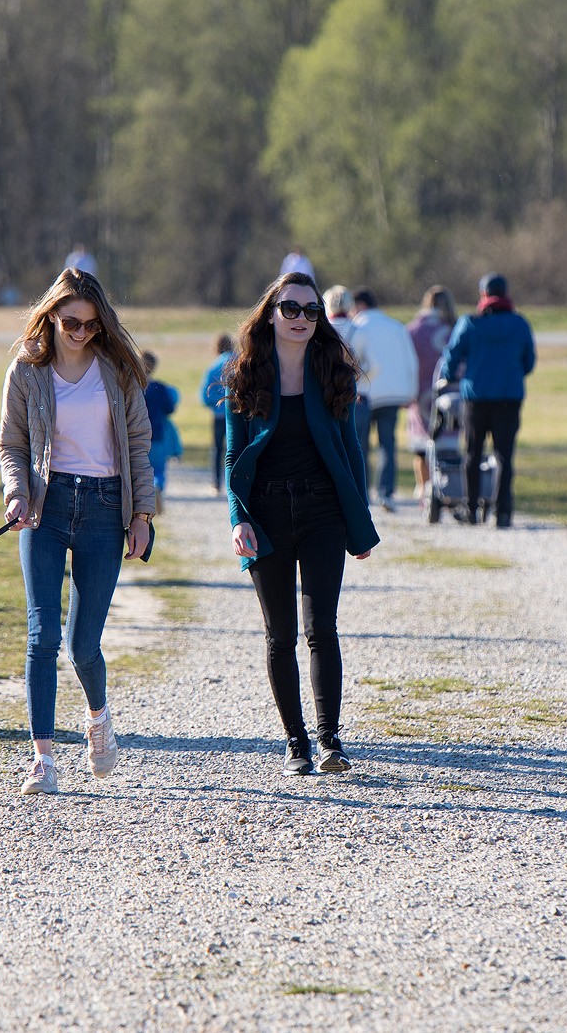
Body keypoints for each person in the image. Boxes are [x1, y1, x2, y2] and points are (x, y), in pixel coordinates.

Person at [0, 268, 155, 795]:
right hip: (46, 504)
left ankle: (98, 718)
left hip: (107, 506)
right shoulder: (26, 369)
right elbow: (11, 444)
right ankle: (42, 758)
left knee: (83, 644)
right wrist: (17, 491)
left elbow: (137, 444)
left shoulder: (116, 370)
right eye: (71, 322)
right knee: (41, 635)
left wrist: (141, 515)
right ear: (51, 316)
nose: (81, 332)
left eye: (91, 325)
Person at [225, 272, 379, 776]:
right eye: (291, 309)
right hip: (265, 515)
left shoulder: (334, 371)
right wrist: (238, 518)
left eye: (312, 311)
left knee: (321, 630)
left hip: (322, 515)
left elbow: (351, 452)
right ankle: (296, 744)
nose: (301, 320)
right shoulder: (245, 374)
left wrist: (360, 523)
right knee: (279, 635)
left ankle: (330, 739)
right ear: (270, 312)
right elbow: (232, 459)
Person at [435, 272, 536, 529]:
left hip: (475, 399)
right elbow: (529, 362)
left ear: (483, 295)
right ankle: (503, 512)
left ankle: (471, 510)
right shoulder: (520, 324)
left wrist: (448, 376)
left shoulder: (470, 323)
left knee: (472, 453)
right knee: (504, 456)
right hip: (509, 399)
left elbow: (452, 356)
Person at [348, 287, 418, 511]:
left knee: (361, 445)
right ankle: (386, 493)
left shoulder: (358, 327)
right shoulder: (396, 326)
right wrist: (411, 392)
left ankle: (363, 493)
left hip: (364, 394)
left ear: (359, 305)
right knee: (388, 444)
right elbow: (412, 361)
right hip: (393, 394)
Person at [405, 286, 458, 503]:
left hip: (420, 394)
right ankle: (451, 490)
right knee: (448, 445)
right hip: (449, 392)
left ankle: (424, 489)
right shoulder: (453, 328)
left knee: (421, 447)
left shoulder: (413, 329)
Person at [142, 351, 181, 499]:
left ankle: (145, 497)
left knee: (141, 470)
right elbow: (170, 409)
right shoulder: (160, 387)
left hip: (138, 436)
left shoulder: (134, 386)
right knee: (158, 469)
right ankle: (157, 486)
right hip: (157, 435)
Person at [200, 334, 235, 492]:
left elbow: (204, 396)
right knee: (235, 448)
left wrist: (215, 404)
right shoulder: (241, 361)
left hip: (219, 414)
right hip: (239, 413)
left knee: (218, 449)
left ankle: (216, 484)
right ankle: (234, 483)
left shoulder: (214, 367)